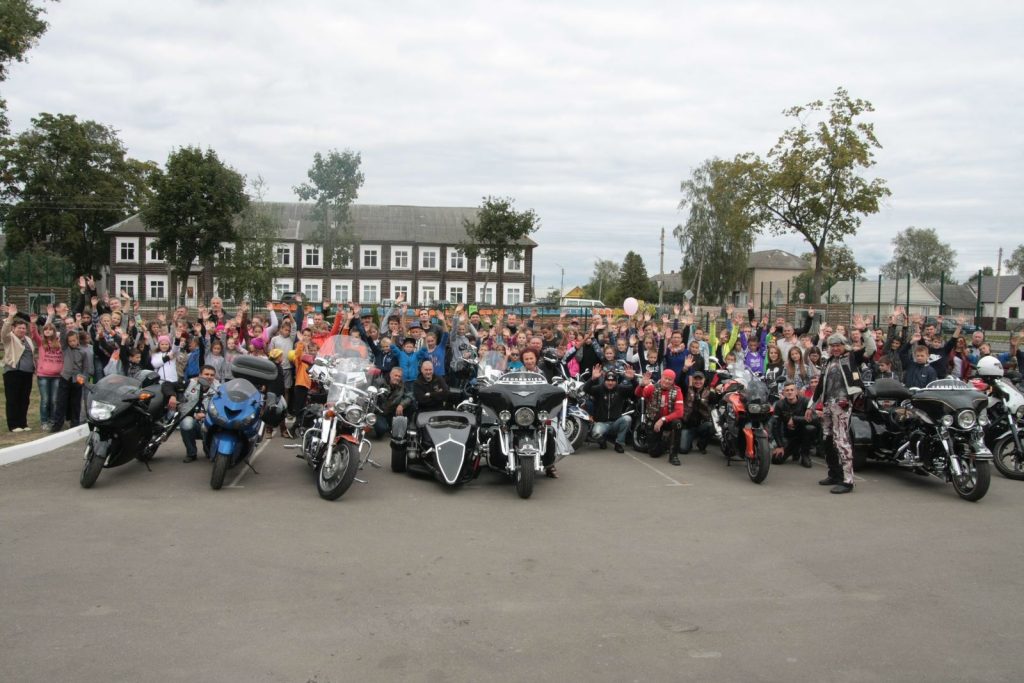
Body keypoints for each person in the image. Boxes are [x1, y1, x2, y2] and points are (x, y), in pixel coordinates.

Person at [808, 334, 863, 494]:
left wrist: (865, 331)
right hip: (828, 404)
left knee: (841, 440)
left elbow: (870, 350)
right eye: (832, 346)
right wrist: (811, 406)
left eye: (838, 345)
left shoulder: (851, 358)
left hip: (842, 405)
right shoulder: (827, 362)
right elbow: (820, 386)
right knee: (827, 439)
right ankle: (834, 474)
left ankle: (848, 481)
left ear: (844, 346)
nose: (835, 348)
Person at [636, 368, 685, 465]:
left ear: (673, 381)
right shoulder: (652, 387)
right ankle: (665, 442)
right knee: (654, 453)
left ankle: (673, 455)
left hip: (667, 420)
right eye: (665, 378)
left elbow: (679, 412)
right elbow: (638, 394)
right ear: (661, 378)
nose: (667, 381)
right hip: (653, 420)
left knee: (678, 423)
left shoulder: (677, 391)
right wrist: (641, 385)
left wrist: (663, 419)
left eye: (670, 379)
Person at [585, 363, 636, 453]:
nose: (610, 383)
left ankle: (619, 443)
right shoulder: (599, 389)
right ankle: (602, 440)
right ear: (604, 381)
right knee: (596, 433)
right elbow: (586, 389)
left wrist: (632, 379)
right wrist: (592, 379)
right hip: (601, 423)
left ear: (616, 381)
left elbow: (635, 391)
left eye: (613, 381)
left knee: (627, 419)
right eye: (608, 380)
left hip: (615, 423)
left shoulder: (621, 389)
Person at [2, 305, 36, 432]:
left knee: (24, 399)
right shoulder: (9, 338)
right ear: (13, 328)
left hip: (27, 373)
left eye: (23, 328)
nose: (22, 330)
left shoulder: (28, 339)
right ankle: (13, 424)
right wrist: (11, 316)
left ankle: (23, 423)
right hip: (13, 372)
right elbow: (4, 331)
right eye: (19, 328)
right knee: (13, 399)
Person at [771, 381, 816, 467]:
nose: (790, 392)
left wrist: (795, 419)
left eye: (792, 390)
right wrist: (780, 445)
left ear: (796, 391)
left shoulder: (805, 401)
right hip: (790, 437)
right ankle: (795, 450)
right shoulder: (779, 404)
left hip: (804, 434)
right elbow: (775, 426)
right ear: (783, 393)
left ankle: (805, 455)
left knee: (810, 428)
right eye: (787, 390)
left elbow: (815, 418)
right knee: (776, 460)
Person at [181, 365, 219, 462]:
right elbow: (168, 385)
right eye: (206, 374)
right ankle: (191, 454)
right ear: (200, 375)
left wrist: (206, 415)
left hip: (210, 423)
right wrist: (172, 396)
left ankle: (209, 450)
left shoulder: (219, 388)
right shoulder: (190, 383)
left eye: (212, 375)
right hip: (193, 421)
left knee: (210, 455)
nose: (209, 377)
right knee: (186, 423)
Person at [679, 371, 714, 455]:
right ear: (692, 380)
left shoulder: (710, 392)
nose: (698, 381)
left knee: (711, 426)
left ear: (704, 380)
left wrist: (721, 389)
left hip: (701, 425)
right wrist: (684, 370)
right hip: (688, 425)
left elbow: (719, 400)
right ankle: (689, 441)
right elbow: (680, 382)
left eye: (700, 379)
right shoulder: (686, 389)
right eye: (695, 379)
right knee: (683, 450)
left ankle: (701, 445)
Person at [374, 366, 413, 439]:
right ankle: (381, 428)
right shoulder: (379, 382)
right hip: (379, 413)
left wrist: (401, 405)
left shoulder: (402, 385)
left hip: (392, 412)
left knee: (412, 405)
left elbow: (410, 396)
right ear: (390, 375)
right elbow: (371, 397)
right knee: (381, 428)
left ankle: (403, 427)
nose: (397, 378)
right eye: (396, 375)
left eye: (399, 376)